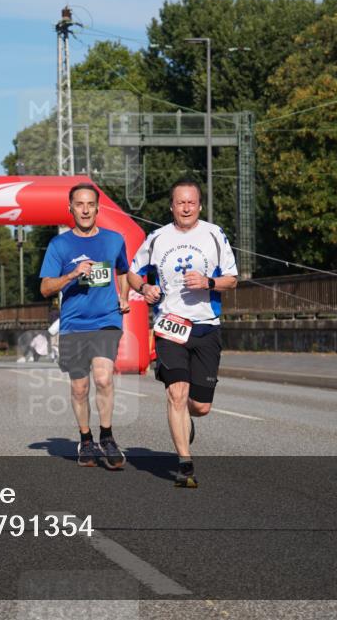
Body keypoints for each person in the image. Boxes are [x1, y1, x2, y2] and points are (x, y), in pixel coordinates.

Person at [127, 178, 238, 488]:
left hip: (206, 327)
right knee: (176, 392)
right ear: (172, 206)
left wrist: (209, 283)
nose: (186, 207)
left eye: (191, 202)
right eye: (180, 202)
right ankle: (185, 464)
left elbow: (233, 279)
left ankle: (187, 418)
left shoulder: (214, 234)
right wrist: (145, 287)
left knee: (200, 406)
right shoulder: (157, 238)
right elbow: (134, 273)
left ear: (199, 205)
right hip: (170, 327)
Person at [40, 183, 130, 469]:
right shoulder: (60, 245)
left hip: (106, 320)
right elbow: (44, 288)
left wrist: (124, 296)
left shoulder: (114, 240)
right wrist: (72, 274)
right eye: (79, 204)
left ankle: (107, 436)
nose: (85, 209)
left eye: (90, 204)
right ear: (71, 208)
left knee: (103, 378)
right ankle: (86, 438)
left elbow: (124, 270)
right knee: (80, 388)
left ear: (98, 208)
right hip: (74, 324)